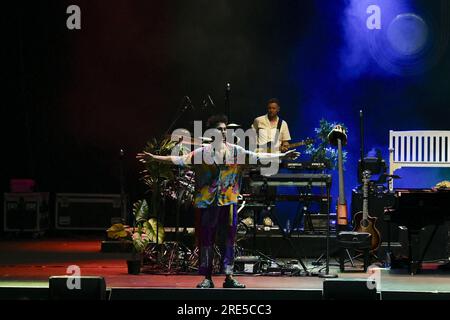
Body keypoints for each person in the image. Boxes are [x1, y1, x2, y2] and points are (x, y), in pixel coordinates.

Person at [139, 114, 298, 288]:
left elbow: (259, 157)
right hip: (208, 203)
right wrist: (155, 158)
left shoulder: (236, 151)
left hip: (228, 202)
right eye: (219, 129)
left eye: (225, 129)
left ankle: (229, 277)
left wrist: (282, 157)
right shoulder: (202, 153)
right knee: (207, 239)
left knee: (229, 239)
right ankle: (207, 277)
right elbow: (177, 159)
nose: (223, 132)